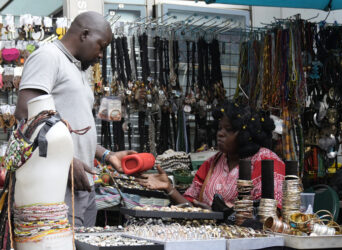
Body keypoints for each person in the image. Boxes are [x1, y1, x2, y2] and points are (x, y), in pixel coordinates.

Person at [15, 11, 135, 227]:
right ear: (84, 34)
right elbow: (25, 114)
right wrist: (63, 160)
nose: (101, 55)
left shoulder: (76, 68)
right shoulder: (48, 57)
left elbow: (76, 129)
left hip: (82, 186)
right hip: (57, 183)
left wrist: (107, 155)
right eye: (101, 45)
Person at [137, 101, 285, 209]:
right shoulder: (213, 162)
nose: (220, 133)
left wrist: (222, 214)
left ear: (246, 134)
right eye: (220, 128)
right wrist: (169, 188)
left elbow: (270, 213)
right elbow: (191, 206)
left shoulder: (266, 161)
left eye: (228, 129)